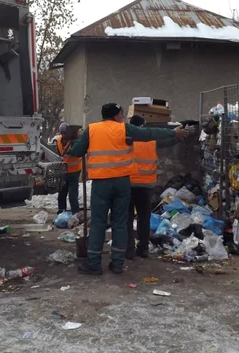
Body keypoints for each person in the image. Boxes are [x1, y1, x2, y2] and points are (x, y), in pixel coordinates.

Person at [67, 103, 189, 275]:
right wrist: (173, 132)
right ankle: (117, 263)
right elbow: (149, 133)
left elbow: (76, 152)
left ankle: (94, 264)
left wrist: (76, 142)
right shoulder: (124, 129)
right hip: (122, 182)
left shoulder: (92, 129)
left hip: (101, 183)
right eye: (121, 114)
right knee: (119, 223)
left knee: (98, 223)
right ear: (116, 115)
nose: (122, 117)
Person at [126, 115, 181, 259]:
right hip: (146, 185)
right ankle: (143, 249)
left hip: (128, 184)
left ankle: (129, 249)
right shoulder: (150, 139)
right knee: (144, 218)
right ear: (143, 126)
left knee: (127, 218)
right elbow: (168, 142)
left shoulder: (126, 140)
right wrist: (179, 136)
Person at [56, 122, 83, 215]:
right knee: (62, 193)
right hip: (64, 171)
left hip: (74, 171)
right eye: (61, 133)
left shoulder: (75, 141)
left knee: (72, 194)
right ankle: (61, 211)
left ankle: (75, 213)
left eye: (64, 133)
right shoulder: (59, 141)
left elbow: (76, 152)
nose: (63, 135)